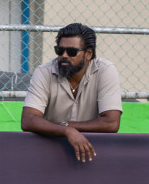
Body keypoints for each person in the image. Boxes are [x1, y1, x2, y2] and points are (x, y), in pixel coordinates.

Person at [19, 21, 121, 162]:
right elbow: (28, 120)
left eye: (72, 52)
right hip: (49, 150)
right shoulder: (44, 72)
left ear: (88, 54)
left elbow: (111, 123)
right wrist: (67, 131)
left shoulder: (105, 70)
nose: (64, 56)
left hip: (92, 152)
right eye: (60, 51)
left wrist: (69, 125)